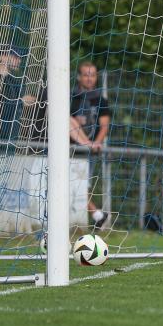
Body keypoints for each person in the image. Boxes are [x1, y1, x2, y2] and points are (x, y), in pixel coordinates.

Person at [70, 61, 111, 228]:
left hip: (88, 152)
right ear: (79, 77)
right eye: (85, 74)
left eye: (92, 75)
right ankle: (98, 215)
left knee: (81, 185)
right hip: (69, 150)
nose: (89, 78)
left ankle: (97, 215)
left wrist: (96, 143)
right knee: (72, 184)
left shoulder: (100, 100)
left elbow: (104, 126)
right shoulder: (71, 97)